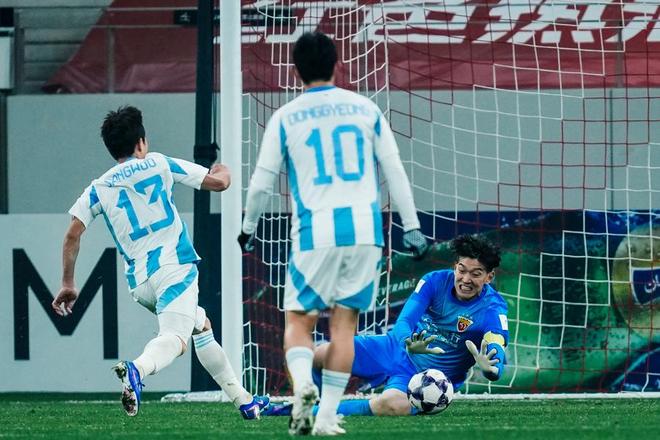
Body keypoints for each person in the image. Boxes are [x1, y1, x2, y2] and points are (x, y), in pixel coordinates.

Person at [238, 32, 428, 435]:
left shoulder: (286, 116)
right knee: (344, 328)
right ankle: (326, 418)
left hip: (316, 233)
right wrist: (412, 226)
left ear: (296, 69)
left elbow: (260, 183)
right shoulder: (365, 108)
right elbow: (394, 170)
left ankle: (303, 386)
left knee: (299, 321)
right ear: (337, 64)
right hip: (365, 233)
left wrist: (247, 228)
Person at [51, 106, 269, 419]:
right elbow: (218, 183)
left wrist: (68, 283)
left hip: (140, 283)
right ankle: (137, 370)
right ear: (141, 143)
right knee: (176, 339)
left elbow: (72, 234)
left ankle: (245, 401)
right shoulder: (159, 163)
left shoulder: (99, 187)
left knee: (200, 325)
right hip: (174, 268)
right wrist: (225, 170)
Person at [264, 233, 508, 417]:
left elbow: (495, 348)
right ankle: (309, 401)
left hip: (426, 379)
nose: (465, 279)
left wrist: (491, 369)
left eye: (476, 274)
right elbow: (405, 321)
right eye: (461, 270)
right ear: (455, 266)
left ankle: (300, 412)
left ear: (489, 276)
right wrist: (408, 342)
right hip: (394, 348)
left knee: (393, 404)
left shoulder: (493, 309)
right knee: (318, 354)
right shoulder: (435, 281)